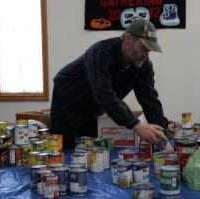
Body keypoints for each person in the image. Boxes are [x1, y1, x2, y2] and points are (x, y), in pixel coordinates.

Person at [50, 18, 173, 152]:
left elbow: (150, 101)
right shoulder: (101, 52)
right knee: (64, 150)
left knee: (96, 151)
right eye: (143, 48)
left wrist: (162, 137)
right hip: (67, 102)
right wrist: (136, 125)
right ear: (127, 39)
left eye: (149, 51)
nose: (145, 55)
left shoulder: (144, 66)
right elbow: (104, 93)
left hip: (93, 108)